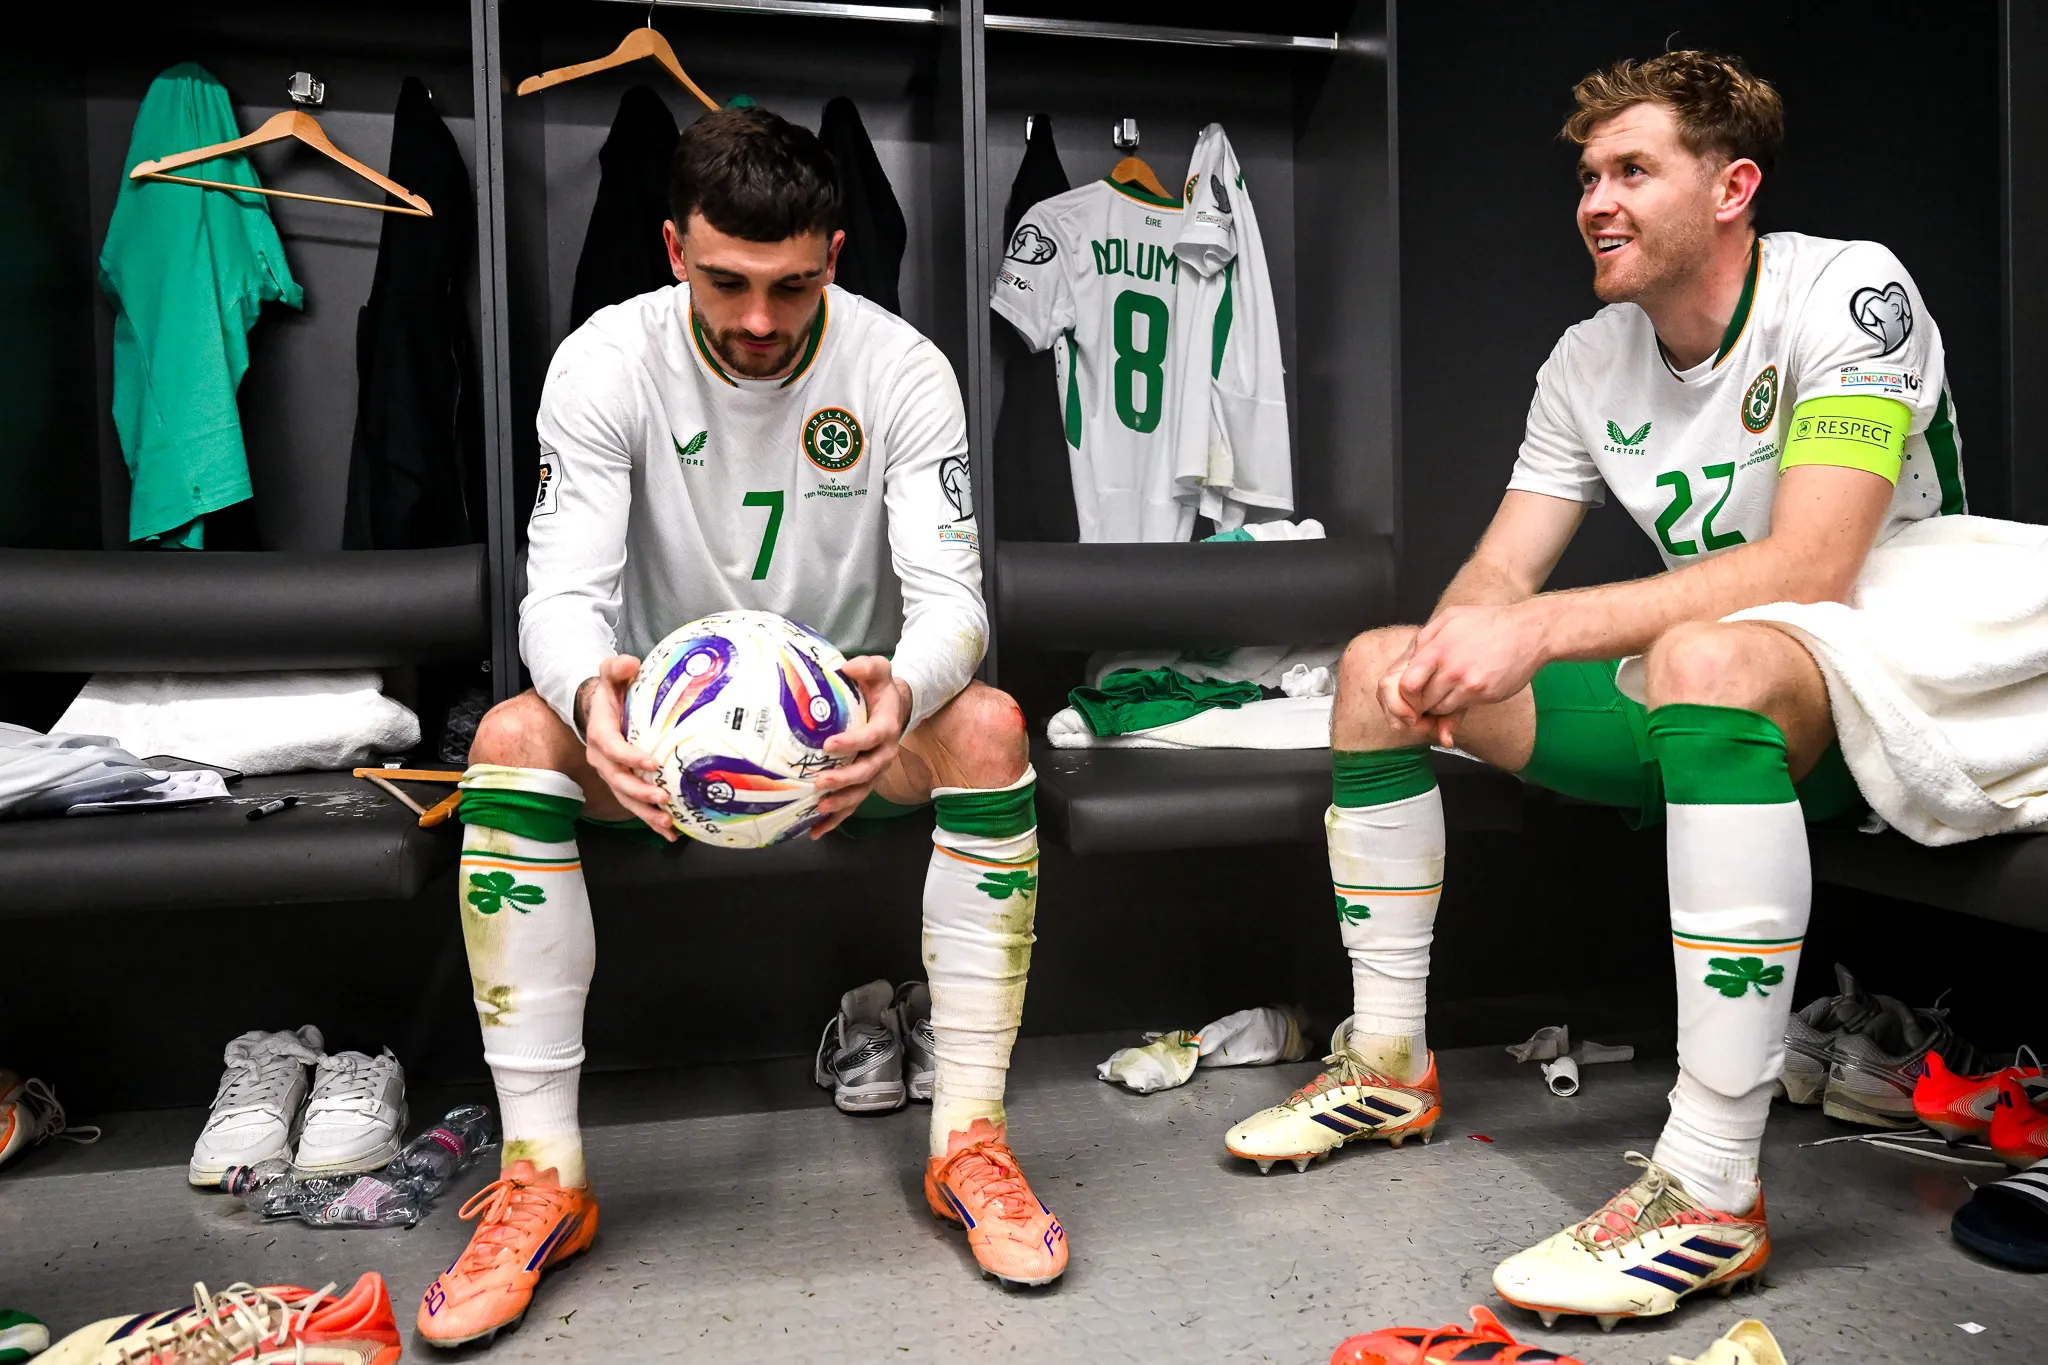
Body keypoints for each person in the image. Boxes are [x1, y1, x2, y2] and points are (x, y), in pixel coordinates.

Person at [1223, 51, 1963, 1326]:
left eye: (1632, 170)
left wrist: (1542, 631)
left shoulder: (1847, 289)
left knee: (1706, 654)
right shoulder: (1585, 358)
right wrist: (1452, 648)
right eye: (1586, 176)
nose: (1594, 202)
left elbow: (1814, 567)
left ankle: (1710, 1191)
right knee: (1375, 669)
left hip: (1879, 677)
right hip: (1706, 688)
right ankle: (1388, 1062)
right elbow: (1502, 568)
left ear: (1732, 186)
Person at [417, 107, 1066, 1350]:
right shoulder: (605, 362)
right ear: (670, 248)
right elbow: (559, 595)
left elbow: (952, 607)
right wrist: (587, 707)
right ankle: (543, 1185)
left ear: (834, 250)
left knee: (986, 727)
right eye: (726, 282)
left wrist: (902, 700)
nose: (760, 320)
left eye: (793, 283)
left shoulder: (902, 369)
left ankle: (969, 1146)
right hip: (656, 749)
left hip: (839, 750)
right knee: (509, 736)